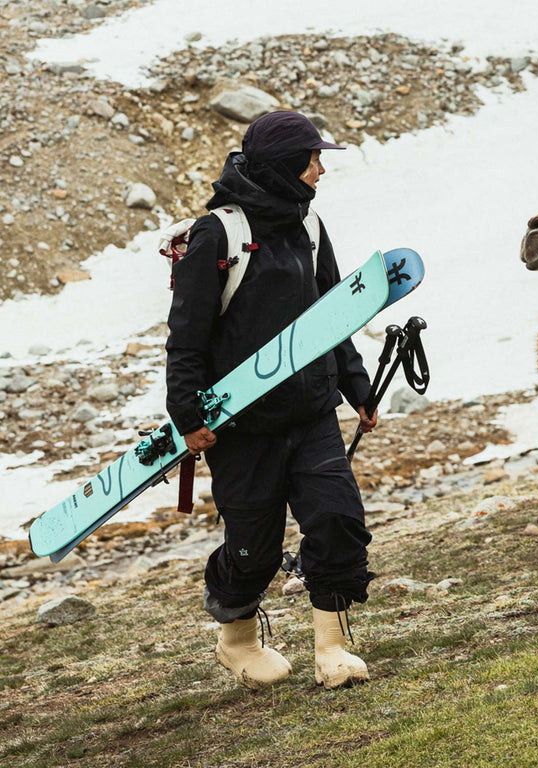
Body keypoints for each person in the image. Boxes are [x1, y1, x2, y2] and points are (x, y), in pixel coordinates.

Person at [165, 111, 378, 690]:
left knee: (337, 520)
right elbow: (186, 336)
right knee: (253, 550)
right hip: (241, 429)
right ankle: (236, 641)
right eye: (312, 160)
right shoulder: (218, 234)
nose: (320, 170)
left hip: (311, 415)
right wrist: (187, 416)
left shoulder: (309, 227)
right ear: (285, 165)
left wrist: (356, 387)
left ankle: (331, 649)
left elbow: (335, 314)